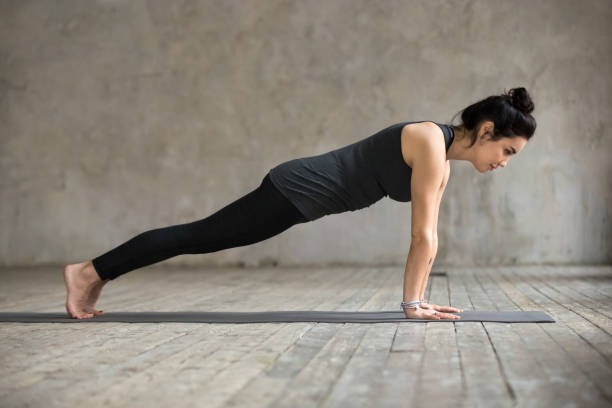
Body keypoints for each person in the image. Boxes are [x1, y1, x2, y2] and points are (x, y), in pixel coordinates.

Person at [63, 87, 536, 320]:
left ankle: (95, 273)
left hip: (299, 195)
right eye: (507, 151)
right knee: (199, 236)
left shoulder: (442, 159)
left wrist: (416, 300)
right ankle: (88, 271)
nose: (504, 163)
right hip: (297, 188)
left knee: (201, 236)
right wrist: (412, 304)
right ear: (488, 132)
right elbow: (423, 236)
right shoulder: (430, 143)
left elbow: (428, 238)